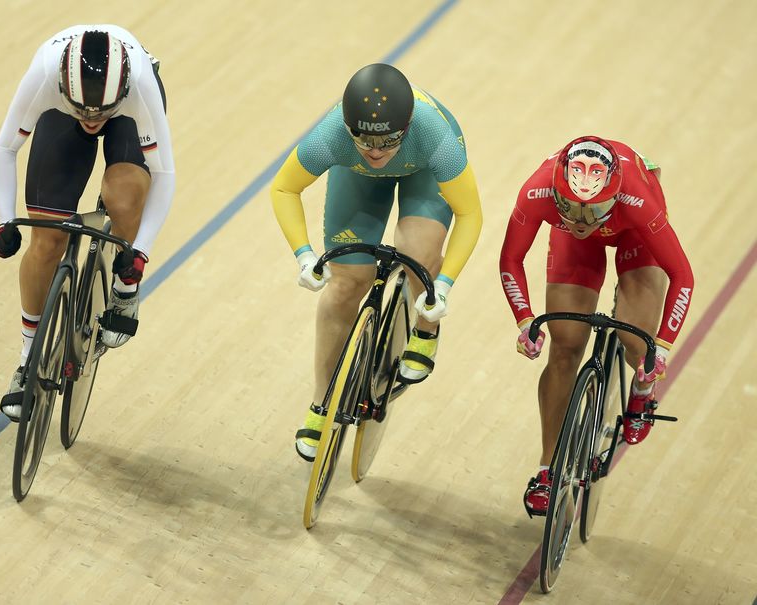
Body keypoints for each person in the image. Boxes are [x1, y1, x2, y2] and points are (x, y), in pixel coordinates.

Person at [270, 63, 483, 461]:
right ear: (348, 129)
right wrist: (304, 256)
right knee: (347, 283)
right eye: (364, 141)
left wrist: (445, 285)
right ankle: (320, 404)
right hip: (359, 178)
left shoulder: (437, 139)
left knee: (417, 255)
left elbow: (470, 215)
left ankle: (425, 327)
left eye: (387, 142)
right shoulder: (331, 136)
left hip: (424, 173)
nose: (376, 151)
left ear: (404, 128)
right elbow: (284, 188)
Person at [498, 135, 694, 516]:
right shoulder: (537, 190)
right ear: (557, 191)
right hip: (575, 243)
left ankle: (642, 391)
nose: (583, 219)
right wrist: (524, 320)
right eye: (571, 207)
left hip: (633, 231)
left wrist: (663, 349)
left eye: (592, 208)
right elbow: (511, 259)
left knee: (637, 342)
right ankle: (547, 468)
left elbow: (683, 276)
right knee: (565, 344)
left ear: (615, 193)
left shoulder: (638, 199)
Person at [0, 25, 175, 421]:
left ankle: (124, 288)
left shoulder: (139, 86)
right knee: (45, 243)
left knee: (123, 199)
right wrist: (5, 221)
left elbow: (164, 175)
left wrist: (139, 253)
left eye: (101, 111)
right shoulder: (44, 76)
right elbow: (6, 147)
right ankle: (27, 362)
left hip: (127, 112)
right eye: (85, 110)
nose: (93, 119)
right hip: (60, 111)